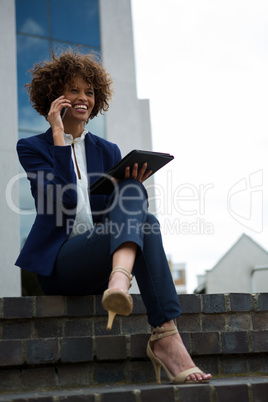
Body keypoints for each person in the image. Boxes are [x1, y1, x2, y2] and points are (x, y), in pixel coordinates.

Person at [16, 49, 212, 385]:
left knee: (136, 194)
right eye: (74, 89)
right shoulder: (33, 148)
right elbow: (60, 204)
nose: (83, 98)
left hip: (101, 257)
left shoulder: (107, 150)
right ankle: (152, 320)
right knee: (146, 222)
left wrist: (126, 186)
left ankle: (137, 302)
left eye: (89, 91)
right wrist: (60, 136)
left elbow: (117, 211)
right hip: (61, 264)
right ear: (54, 96)